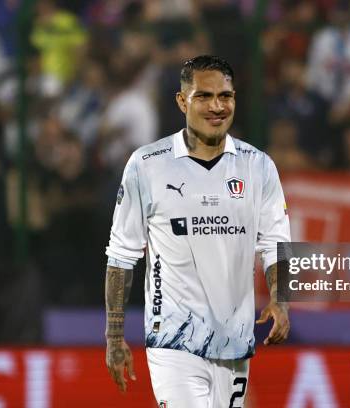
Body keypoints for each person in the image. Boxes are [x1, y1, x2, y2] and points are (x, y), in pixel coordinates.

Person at [104, 55, 291, 407]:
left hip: (234, 344)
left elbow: (277, 245)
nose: (217, 106)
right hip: (172, 342)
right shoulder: (147, 166)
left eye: (226, 96)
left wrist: (281, 301)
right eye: (204, 96)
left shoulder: (258, 167)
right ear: (181, 101)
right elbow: (121, 255)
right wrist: (114, 335)